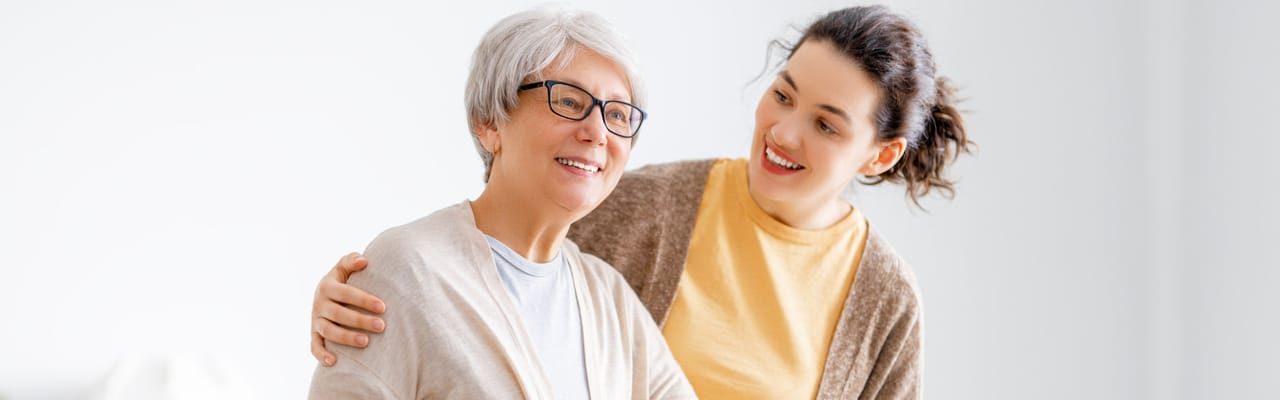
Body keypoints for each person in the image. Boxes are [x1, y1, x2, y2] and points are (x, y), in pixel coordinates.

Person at [311, 5, 971, 399]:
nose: (785, 131)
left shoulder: (884, 300)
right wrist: (374, 286)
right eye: (784, 93)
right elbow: (483, 262)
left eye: (827, 124)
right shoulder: (647, 204)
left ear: (879, 154)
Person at [307, 6, 695, 399]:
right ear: (489, 121)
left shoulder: (612, 301)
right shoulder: (406, 270)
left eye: (617, 114)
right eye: (569, 102)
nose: (597, 132)